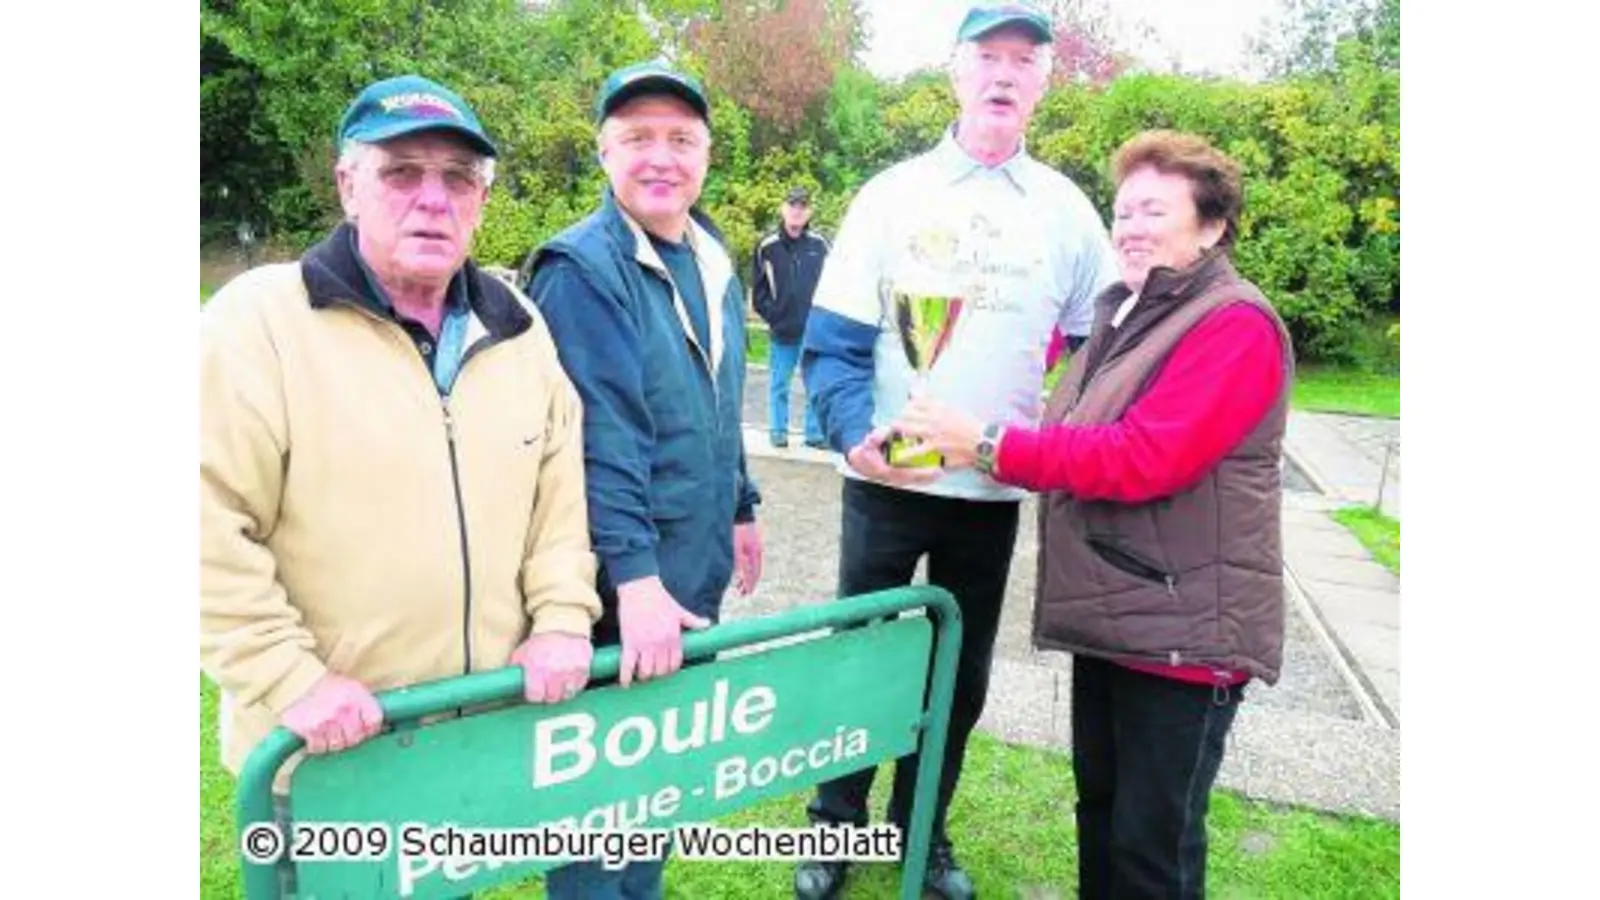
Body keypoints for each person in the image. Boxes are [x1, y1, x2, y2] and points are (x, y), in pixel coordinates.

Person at [200, 74, 603, 896]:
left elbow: (558, 504)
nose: (433, 199)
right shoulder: (257, 323)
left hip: (468, 744)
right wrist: (291, 680)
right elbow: (198, 524)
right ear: (348, 186)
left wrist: (563, 619)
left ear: (482, 201)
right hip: (324, 755)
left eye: (458, 177)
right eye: (401, 172)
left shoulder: (519, 328)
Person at [892, 129, 1293, 900]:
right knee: (1103, 819)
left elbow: (1143, 457)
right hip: (1121, 621)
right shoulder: (1127, 314)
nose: (1130, 228)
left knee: (1151, 849)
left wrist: (986, 445)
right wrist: (954, 441)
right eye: (1123, 212)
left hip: (1183, 636)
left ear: (1212, 226)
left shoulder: (1233, 324)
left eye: (1154, 211)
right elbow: (1071, 434)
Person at [793, 4, 1120, 898]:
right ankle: (834, 825)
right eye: (988, 56)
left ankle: (919, 832)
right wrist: (854, 437)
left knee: (961, 677)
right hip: (887, 484)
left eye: (1025, 59)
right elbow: (832, 344)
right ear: (956, 71)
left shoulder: (1066, 212)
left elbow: (1106, 341)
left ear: (1045, 81)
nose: (1004, 73)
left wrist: (1058, 427)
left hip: (991, 491)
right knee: (859, 658)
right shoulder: (891, 195)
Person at [520, 60, 764, 900]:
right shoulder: (582, 268)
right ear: (603, 152)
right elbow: (600, 437)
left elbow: (716, 398)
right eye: (637, 138)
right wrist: (635, 581)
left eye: (681, 139)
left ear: (707, 154)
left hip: (690, 574)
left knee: (657, 784)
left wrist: (741, 503)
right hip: (621, 593)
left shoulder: (713, 257)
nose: (661, 157)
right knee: (597, 804)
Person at [752, 185, 831, 449]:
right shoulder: (767, 247)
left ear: (809, 212)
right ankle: (778, 431)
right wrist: (775, 317)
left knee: (815, 384)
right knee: (779, 384)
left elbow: (833, 284)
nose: (797, 211)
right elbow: (759, 293)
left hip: (814, 330)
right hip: (783, 332)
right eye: (792, 206)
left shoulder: (821, 245)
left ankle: (814, 434)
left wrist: (823, 319)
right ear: (783, 209)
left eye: (802, 207)